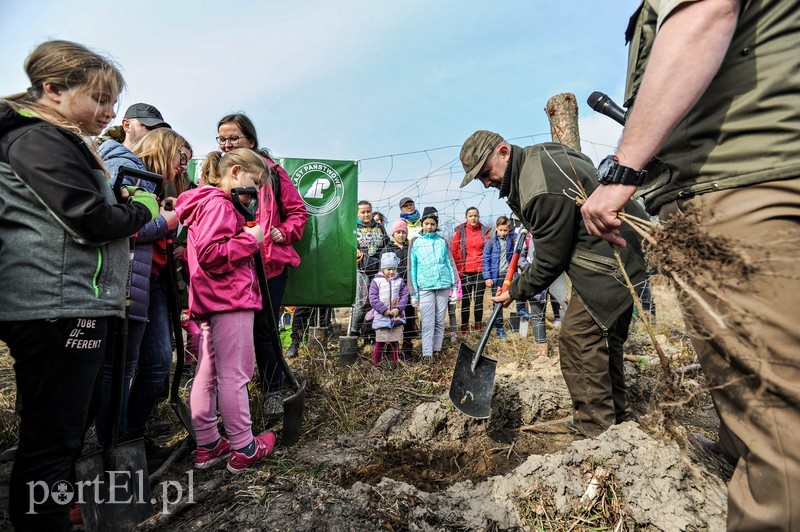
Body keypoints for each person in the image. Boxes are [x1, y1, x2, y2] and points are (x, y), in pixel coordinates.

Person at [580, 2, 800, 528]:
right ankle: (734, 446)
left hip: (740, 187)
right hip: (733, 184)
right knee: (751, 386)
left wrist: (623, 167)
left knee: (778, 427)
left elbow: (705, 13)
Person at [0, 40, 158, 531]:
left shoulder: (54, 139)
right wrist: (143, 211)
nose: (109, 112)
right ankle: (42, 517)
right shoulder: (37, 139)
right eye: (100, 99)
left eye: (114, 102)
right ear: (53, 90)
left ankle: (52, 505)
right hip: (55, 301)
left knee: (69, 420)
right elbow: (88, 219)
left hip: (71, 298)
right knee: (54, 432)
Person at [460, 130, 647, 438]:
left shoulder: (537, 189)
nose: (486, 182)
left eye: (485, 172)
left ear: (504, 152)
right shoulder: (538, 155)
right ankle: (617, 418)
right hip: (622, 246)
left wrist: (515, 291)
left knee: (580, 340)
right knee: (603, 337)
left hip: (612, 256)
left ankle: (596, 430)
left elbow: (549, 261)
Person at [175, 148, 277, 474]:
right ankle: (244, 446)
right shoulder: (220, 205)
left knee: (209, 370)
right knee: (236, 374)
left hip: (212, 299)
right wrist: (251, 240)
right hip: (230, 300)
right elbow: (210, 254)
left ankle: (208, 444)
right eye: (253, 182)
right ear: (234, 173)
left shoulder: (204, 203)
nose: (255, 192)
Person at [95, 127, 186, 467]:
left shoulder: (155, 184)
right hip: (130, 278)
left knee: (159, 363)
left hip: (154, 281)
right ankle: (111, 446)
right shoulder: (127, 170)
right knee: (120, 368)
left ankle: (131, 436)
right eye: (181, 158)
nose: (182, 168)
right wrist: (168, 220)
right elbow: (130, 226)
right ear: (165, 151)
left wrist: (167, 217)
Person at [216, 113, 308, 413]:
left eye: (233, 138)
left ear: (251, 141)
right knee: (229, 332)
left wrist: (285, 230)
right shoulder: (216, 175)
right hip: (232, 266)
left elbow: (298, 213)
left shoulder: (275, 174)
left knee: (266, 330)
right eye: (222, 138)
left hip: (269, 266)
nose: (226, 144)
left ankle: (272, 391)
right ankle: (230, 394)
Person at [408, 207, 458, 362]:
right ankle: (427, 353)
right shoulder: (415, 242)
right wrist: (413, 292)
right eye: (427, 223)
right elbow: (412, 267)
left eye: (432, 224)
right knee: (428, 320)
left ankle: (437, 349)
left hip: (443, 285)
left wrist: (454, 286)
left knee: (439, 320)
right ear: (422, 224)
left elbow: (450, 264)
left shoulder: (442, 241)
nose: (429, 226)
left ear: (437, 225)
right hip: (425, 287)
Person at [349, 200, 389, 338]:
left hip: (378, 269)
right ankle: (354, 332)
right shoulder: (353, 228)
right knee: (361, 302)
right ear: (357, 213)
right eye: (363, 212)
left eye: (368, 211)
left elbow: (387, 245)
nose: (366, 214)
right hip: (361, 269)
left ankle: (370, 334)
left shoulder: (380, 228)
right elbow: (347, 244)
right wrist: (354, 250)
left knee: (376, 301)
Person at [451, 206, 491, 333]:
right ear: (466, 217)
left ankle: (478, 325)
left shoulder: (484, 232)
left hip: (480, 270)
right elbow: (454, 251)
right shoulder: (460, 233)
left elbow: (489, 251)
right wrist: (459, 269)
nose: (473, 218)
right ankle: (464, 326)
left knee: (478, 300)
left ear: (478, 217)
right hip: (465, 271)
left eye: (475, 215)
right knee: (466, 300)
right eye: (470, 216)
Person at [381, 219, 416, 358]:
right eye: (398, 232)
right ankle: (390, 349)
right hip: (393, 290)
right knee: (393, 318)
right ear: (393, 233)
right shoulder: (388, 249)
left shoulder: (410, 249)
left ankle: (407, 347)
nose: (401, 235)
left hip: (408, 288)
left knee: (409, 317)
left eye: (403, 232)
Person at [368, 252, 409, 367]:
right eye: (388, 269)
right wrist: (384, 310)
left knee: (394, 342)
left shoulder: (399, 281)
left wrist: (398, 309)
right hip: (381, 317)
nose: (391, 272)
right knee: (380, 342)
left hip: (396, 317)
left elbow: (405, 295)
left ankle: (394, 363)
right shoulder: (376, 281)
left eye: (393, 269)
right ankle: (377, 364)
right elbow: (373, 298)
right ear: (383, 268)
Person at [482, 216, 515, 339]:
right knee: (498, 302)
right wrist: (487, 277)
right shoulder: (491, 242)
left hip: (508, 275)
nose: (502, 232)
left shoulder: (511, 241)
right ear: (496, 229)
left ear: (509, 229)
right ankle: (499, 327)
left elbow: (513, 257)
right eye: (500, 230)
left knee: (514, 294)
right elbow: (485, 260)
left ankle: (521, 310)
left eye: (505, 230)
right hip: (495, 276)